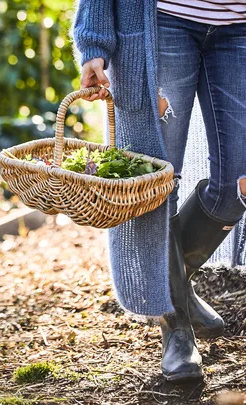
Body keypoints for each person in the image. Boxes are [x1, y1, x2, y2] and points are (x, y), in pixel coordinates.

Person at [73, 1, 246, 382]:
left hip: (239, 29)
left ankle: (173, 284)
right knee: (156, 181)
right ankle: (177, 328)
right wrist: (93, 41)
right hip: (163, 22)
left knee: (238, 184)